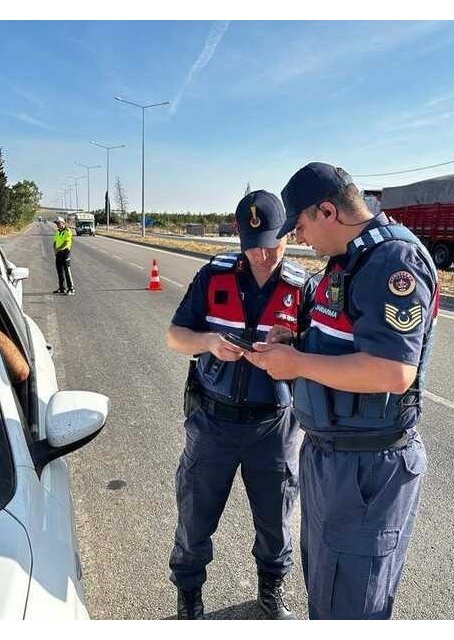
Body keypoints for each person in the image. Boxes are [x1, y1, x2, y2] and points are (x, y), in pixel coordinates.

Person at [243, 163, 440, 620]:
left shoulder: (393, 260)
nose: (301, 238)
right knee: (326, 588)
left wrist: (298, 364)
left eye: (303, 225)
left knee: (350, 604)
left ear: (328, 211)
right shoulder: (345, 262)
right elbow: (340, 342)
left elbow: (393, 372)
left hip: (366, 466)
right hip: (330, 457)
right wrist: (293, 345)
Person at [165, 190, 315, 620]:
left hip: (274, 425)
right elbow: (175, 336)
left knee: (276, 518)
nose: (264, 256)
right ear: (239, 236)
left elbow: (319, 356)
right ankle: (189, 594)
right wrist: (208, 341)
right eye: (253, 245)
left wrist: (294, 348)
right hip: (213, 421)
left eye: (272, 243)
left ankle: (271, 588)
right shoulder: (213, 277)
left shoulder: (303, 288)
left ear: (287, 233)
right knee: (195, 516)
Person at [53, 216, 76, 295]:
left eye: (58, 223)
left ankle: (71, 289)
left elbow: (66, 243)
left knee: (67, 271)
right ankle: (62, 288)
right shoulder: (57, 231)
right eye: (56, 224)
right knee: (59, 271)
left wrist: (58, 249)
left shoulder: (68, 231)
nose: (57, 225)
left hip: (65, 253)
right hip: (58, 253)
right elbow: (55, 242)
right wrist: (55, 250)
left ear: (63, 223)